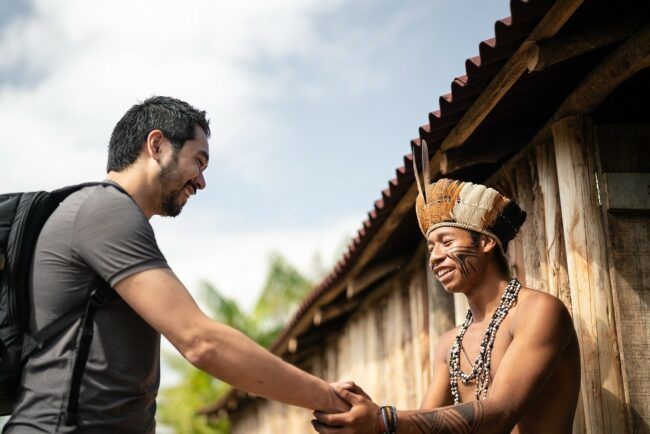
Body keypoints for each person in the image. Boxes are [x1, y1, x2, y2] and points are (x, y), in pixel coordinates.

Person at [4, 96, 348, 433]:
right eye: (198, 160)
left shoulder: (108, 215)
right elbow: (201, 342)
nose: (201, 181)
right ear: (157, 145)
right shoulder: (104, 210)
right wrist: (332, 400)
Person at [311, 153, 581, 434]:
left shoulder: (538, 312)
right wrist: (362, 414)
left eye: (446, 242)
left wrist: (383, 420)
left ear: (486, 243)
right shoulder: (450, 343)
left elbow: (500, 413)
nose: (435, 258)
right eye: (430, 248)